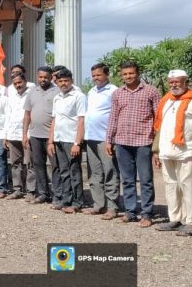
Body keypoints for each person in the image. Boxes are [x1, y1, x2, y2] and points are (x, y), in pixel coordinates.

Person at [153, 70, 192, 236]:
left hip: (189, 152)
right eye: (171, 82)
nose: (173, 85)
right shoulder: (166, 100)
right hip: (167, 151)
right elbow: (160, 128)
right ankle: (175, 218)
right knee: (171, 187)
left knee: (191, 187)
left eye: (177, 82)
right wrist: (156, 151)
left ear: (186, 82)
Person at [106, 61, 160, 227]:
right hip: (122, 142)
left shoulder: (151, 91)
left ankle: (146, 213)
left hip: (144, 141)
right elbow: (113, 117)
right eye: (125, 74)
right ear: (121, 75)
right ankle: (130, 212)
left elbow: (159, 117)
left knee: (145, 180)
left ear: (138, 73)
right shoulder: (117, 93)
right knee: (127, 180)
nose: (128, 76)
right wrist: (109, 139)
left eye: (131, 73)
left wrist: (157, 143)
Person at [83, 63, 120, 219]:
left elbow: (117, 114)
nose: (95, 78)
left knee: (110, 171)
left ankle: (112, 206)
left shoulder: (114, 91)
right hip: (90, 137)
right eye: (93, 76)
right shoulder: (91, 91)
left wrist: (112, 137)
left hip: (105, 138)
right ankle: (98, 204)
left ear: (107, 75)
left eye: (98, 75)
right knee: (95, 173)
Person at [47, 69, 86, 213]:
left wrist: (77, 143)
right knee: (63, 171)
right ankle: (66, 199)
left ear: (71, 81)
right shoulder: (57, 97)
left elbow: (81, 120)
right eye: (60, 81)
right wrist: (50, 141)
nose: (63, 83)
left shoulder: (78, 96)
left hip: (71, 140)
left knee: (74, 171)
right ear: (56, 82)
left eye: (66, 81)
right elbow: (54, 120)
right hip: (59, 139)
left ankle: (77, 202)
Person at [22, 66, 57, 205]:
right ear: (37, 77)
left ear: (51, 77)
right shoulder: (32, 92)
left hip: (52, 137)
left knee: (55, 166)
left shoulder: (57, 91)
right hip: (35, 135)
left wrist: (52, 138)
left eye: (46, 77)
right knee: (38, 165)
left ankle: (57, 194)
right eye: (41, 77)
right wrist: (24, 134)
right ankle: (43, 193)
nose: (43, 79)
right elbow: (27, 114)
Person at [5, 73, 34, 200]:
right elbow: (8, 115)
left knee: (29, 163)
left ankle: (31, 190)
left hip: (27, 134)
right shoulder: (11, 96)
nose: (18, 85)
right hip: (13, 133)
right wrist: (6, 135)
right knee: (15, 163)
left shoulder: (31, 94)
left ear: (25, 81)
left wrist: (27, 134)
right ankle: (17, 189)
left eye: (19, 82)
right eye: (15, 84)